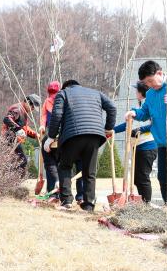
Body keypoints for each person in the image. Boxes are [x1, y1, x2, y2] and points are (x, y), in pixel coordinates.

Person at [125, 61, 167, 212]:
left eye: (150, 81)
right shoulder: (150, 94)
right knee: (162, 176)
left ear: (160, 73)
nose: (149, 85)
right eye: (146, 83)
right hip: (161, 142)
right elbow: (145, 113)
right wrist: (134, 113)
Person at [45, 80, 116, 212]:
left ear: (65, 87)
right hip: (95, 135)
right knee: (89, 171)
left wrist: (51, 136)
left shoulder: (63, 93)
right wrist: (108, 128)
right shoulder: (96, 93)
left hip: (73, 134)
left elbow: (57, 114)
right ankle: (88, 204)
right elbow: (112, 107)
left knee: (65, 166)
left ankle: (66, 201)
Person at [114, 81, 157, 203]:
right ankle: (142, 203)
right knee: (137, 179)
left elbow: (155, 123)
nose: (135, 93)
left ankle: (146, 204)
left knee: (142, 177)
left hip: (147, 146)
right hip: (138, 147)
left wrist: (141, 129)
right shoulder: (139, 107)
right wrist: (112, 130)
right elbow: (128, 125)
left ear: (141, 92)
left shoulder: (150, 105)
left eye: (137, 90)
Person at [2, 94, 41, 175]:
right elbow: (7, 119)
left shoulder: (24, 112)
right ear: (28, 102)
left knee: (19, 162)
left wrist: (35, 134)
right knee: (20, 161)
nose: (33, 109)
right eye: (32, 106)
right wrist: (17, 129)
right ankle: (12, 180)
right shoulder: (17, 109)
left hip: (15, 140)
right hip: (8, 139)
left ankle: (13, 179)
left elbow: (24, 128)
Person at [40, 81, 62, 196]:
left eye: (55, 92)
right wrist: (42, 126)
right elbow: (44, 115)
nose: (53, 95)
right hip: (50, 133)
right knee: (49, 164)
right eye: (51, 92)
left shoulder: (63, 101)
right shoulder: (47, 101)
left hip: (62, 135)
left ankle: (60, 192)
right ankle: (51, 192)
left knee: (59, 164)